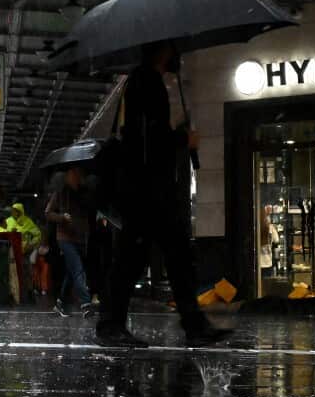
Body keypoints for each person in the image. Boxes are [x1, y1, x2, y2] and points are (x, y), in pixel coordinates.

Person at [97, 41, 229, 348]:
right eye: (172, 49)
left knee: (169, 256)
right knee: (140, 259)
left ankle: (190, 325)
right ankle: (112, 325)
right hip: (147, 190)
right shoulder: (146, 81)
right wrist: (183, 137)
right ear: (162, 51)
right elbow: (148, 140)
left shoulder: (143, 81)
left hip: (147, 189)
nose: (177, 54)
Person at [46, 168, 93, 317]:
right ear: (67, 177)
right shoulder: (60, 193)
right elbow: (48, 213)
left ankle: (60, 303)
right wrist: (62, 217)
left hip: (80, 238)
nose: (75, 178)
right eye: (72, 175)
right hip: (65, 238)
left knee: (71, 273)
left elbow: (88, 213)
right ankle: (86, 304)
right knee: (78, 269)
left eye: (78, 175)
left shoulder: (85, 194)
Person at [259, 205, 278, 277]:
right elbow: (276, 240)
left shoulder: (255, 228)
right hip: (267, 261)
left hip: (257, 263)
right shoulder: (271, 228)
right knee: (266, 284)